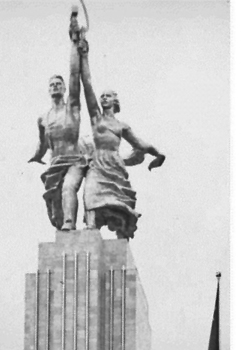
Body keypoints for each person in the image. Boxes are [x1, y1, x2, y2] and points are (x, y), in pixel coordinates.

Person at [78, 38, 165, 239]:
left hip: (114, 164)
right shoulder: (96, 118)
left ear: (115, 102)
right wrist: (84, 56)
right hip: (97, 163)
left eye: (107, 96)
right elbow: (87, 85)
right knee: (90, 193)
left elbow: (140, 144)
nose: (103, 99)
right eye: (102, 97)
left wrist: (158, 154)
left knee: (119, 201)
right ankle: (91, 229)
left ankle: (121, 232)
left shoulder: (121, 126)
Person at [29, 9, 88, 232]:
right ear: (48, 90)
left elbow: (74, 75)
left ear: (63, 89)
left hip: (74, 159)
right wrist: (36, 156)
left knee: (69, 188)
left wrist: (74, 44)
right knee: (53, 207)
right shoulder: (43, 118)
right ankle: (61, 219)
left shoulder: (72, 108)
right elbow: (43, 143)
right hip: (54, 163)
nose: (55, 87)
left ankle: (70, 223)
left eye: (58, 84)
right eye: (51, 84)